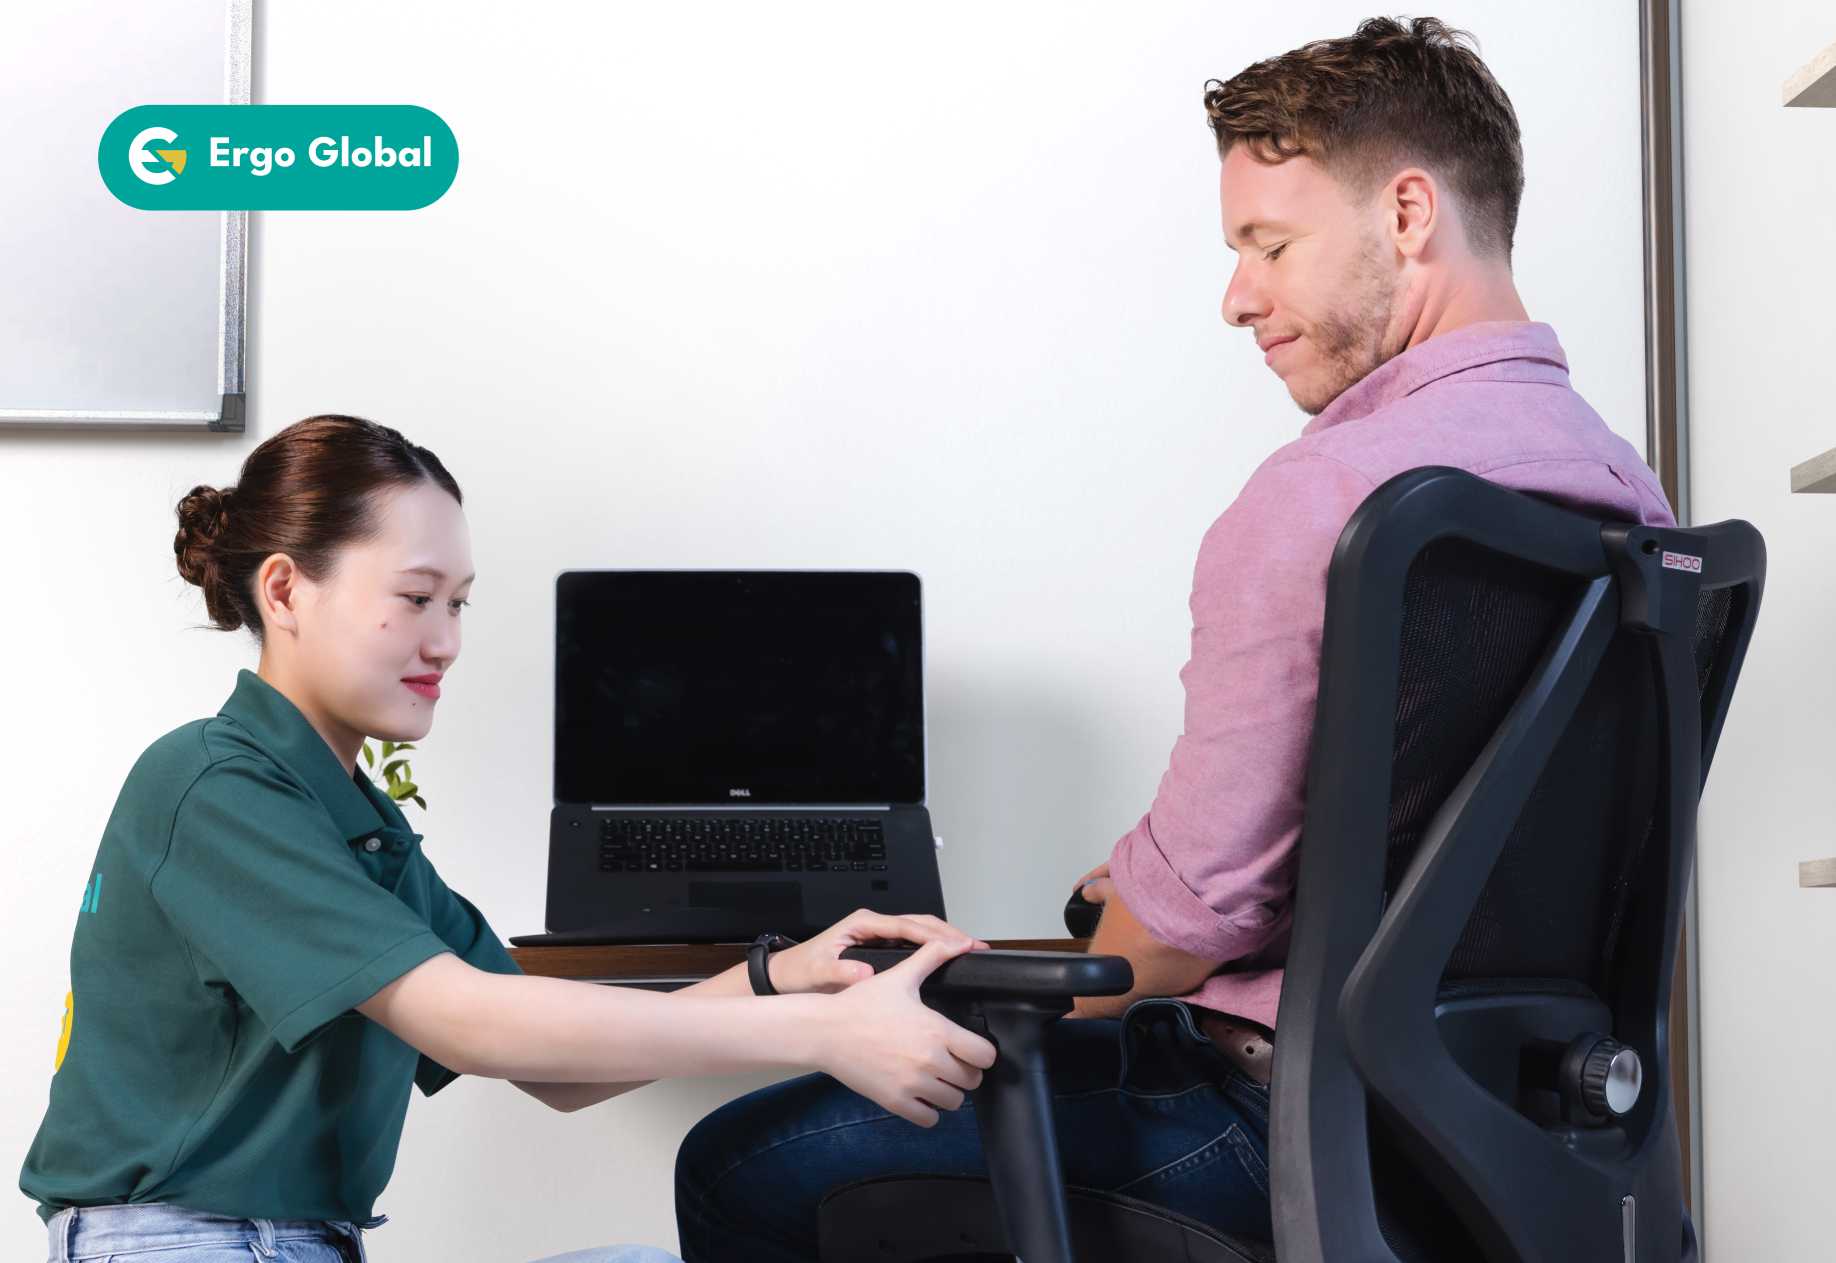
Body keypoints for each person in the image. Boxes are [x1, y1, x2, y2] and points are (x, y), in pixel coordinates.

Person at [672, 15, 1678, 1259]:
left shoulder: (1329, 500)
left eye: (1270, 244)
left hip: (1280, 1132)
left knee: (742, 1164)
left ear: (1409, 213)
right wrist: (1185, 887)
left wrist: (1109, 936)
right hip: (1529, 1137)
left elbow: (1177, 930)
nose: (1238, 298)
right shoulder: (1635, 507)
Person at [18, 413, 998, 1263]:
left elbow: (553, 1065)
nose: (446, 641)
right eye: (415, 598)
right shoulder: (213, 786)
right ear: (284, 592)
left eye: (458, 603)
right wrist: (823, 1034)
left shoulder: (356, 824)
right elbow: (469, 1022)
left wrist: (781, 977)